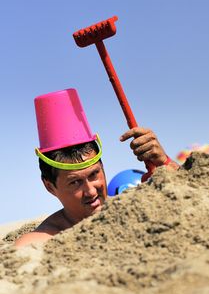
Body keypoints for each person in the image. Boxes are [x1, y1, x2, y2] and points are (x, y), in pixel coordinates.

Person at [15, 89, 178, 247]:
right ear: (50, 186)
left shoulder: (133, 208)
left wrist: (164, 162)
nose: (91, 191)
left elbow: (193, 198)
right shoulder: (40, 242)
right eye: (75, 182)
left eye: (94, 174)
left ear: (103, 167)